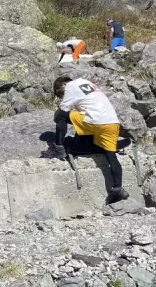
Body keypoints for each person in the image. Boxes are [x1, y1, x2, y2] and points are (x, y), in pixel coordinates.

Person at [41, 75, 129, 203]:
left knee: (61, 116)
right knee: (111, 157)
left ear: (62, 86)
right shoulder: (86, 83)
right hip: (112, 123)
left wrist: (59, 116)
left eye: (61, 93)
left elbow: (62, 111)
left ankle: (58, 148)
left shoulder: (69, 87)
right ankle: (118, 189)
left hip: (95, 121)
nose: (62, 95)